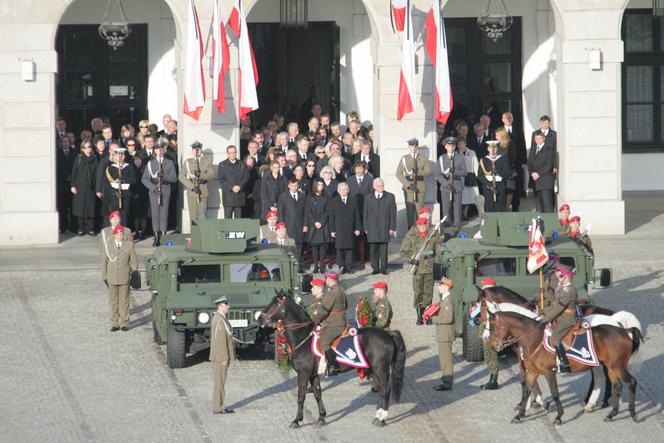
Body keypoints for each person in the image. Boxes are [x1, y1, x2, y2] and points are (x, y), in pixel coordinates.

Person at [399, 217, 440, 325]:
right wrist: (411, 260)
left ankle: (428, 315)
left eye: (424, 225)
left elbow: (438, 252)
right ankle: (419, 316)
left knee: (428, 293)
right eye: (420, 225)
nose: (422, 227)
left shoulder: (433, 236)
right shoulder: (412, 237)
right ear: (417, 226)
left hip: (429, 268)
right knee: (418, 293)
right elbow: (403, 252)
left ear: (427, 225)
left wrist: (437, 265)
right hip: (417, 269)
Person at [536, 269, 578, 373]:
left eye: (560, 277)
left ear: (566, 277)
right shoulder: (562, 289)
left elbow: (558, 309)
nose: (558, 279)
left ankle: (564, 363)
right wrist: (543, 311)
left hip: (566, 320)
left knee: (554, 338)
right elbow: (554, 305)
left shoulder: (568, 291)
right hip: (560, 316)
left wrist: (545, 319)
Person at [100, 225, 138, 332]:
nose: (120, 236)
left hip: (124, 276)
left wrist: (134, 271)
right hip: (111, 277)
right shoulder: (108, 246)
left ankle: (124, 322)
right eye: (118, 234)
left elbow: (134, 260)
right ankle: (114, 322)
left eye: (121, 234)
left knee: (124, 300)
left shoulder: (129, 245)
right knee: (113, 301)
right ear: (114, 235)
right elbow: (104, 261)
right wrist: (104, 275)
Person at [310, 272, 348, 376]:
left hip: (334, 324)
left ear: (330, 280)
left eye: (326, 278)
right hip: (340, 321)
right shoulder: (341, 290)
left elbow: (324, 311)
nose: (325, 280)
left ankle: (334, 366)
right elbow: (347, 305)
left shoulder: (332, 293)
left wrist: (314, 322)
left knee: (324, 342)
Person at [142, 141, 177, 246]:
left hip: (165, 190)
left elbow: (174, 178)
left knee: (164, 214)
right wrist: (152, 187)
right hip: (154, 192)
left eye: (162, 149)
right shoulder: (150, 163)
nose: (160, 151)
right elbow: (144, 179)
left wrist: (164, 176)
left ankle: (164, 235)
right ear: (155, 151)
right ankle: (156, 237)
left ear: (164, 150)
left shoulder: (169, 162)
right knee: (155, 214)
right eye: (157, 149)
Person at [396, 138, 432, 228]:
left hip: (420, 187)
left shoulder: (423, 158)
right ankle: (410, 233)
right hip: (409, 189)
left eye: (415, 146)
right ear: (409, 147)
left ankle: (421, 231)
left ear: (417, 147)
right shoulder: (404, 158)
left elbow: (429, 171)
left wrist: (418, 172)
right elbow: (398, 173)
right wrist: (408, 185)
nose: (413, 148)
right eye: (411, 146)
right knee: (409, 211)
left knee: (420, 211)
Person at [363, 178, 397, 275]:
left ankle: (384, 268)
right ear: (374, 187)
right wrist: (365, 227)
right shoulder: (368, 197)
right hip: (372, 228)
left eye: (382, 185)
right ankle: (375, 268)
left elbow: (393, 214)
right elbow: (365, 214)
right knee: (373, 250)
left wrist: (392, 227)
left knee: (383, 250)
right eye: (379, 186)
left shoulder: (390, 197)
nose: (381, 187)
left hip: (384, 227)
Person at [210, 296, 236, 414]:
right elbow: (220, 341)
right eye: (226, 305)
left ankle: (220, 404)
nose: (228, 307)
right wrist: (225, 357)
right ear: (220, 306)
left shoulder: (221, 318)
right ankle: (218, 407)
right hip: (220, 357)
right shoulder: (219, 320)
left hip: (221, 357)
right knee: (219, 383)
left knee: (221, 382)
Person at [329, 182, 361, 274]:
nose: (344, 191)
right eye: (341, 190)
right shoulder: (334, 201)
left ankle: (348, 266)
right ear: (338, 191)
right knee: (339, 248)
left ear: (348, 190)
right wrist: (332, 230)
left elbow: (357, 215)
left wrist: (358, 228)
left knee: (350, 248)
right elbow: (332, 217)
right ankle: (341, 266)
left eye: (345, 189)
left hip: (350, 228)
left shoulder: (353, 199)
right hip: (339, 228)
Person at [101, 146, 137, 226]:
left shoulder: (129, 167)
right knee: (114, 215)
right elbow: (106, 182)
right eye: (118, 155)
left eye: (122, 155)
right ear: (114, 156)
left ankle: (123, 231)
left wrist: (124, 180)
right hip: (114, 195)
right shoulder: (110, 168)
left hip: (125, 194)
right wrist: (114, 192)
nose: (120, 157)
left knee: (124, 214)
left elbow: (133, 180)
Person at [180, 141, 215, 222]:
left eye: (198, 149)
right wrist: (192, 187)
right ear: (192, 151)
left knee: (202, 215)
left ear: (201, 150)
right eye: (194, 149)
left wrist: (202, 175)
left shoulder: (206, 161)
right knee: (193, 216)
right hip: (192, 192)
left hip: (203, 192)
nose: (196, 151)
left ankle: (202, 234)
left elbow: (211, 175)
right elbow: (181, 176)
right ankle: (194, 234)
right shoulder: (187, 162)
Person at [435, 137, 467, 227]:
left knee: (457, 208)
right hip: (446, 186)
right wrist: (446, 183)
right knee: (446, 208)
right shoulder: (442, 158)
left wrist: (455, 172)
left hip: (457, 184)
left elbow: (464, 172)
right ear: (445, 147)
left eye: (453, 145)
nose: (451, 147)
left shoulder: (460, 157)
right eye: (449, 146)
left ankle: (457, 226)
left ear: (455, 146)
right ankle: (447, 227)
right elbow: (437, 174)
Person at [70, 141, 98, 236]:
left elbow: (97, 174)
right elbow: (74, 173)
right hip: (80, 187)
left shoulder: (95, 158)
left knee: (91, 208)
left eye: (89, 147)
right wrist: (73, 186)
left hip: (91, 187)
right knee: (80, 208)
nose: (87, 149)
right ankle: (81, 229)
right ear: (82, 148)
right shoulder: (79, 158)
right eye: (85, 147)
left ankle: (90, 229)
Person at [432, 277, 455, 391]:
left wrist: (433, 319)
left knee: (446, 359)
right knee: (443, 359)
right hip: (442, 334)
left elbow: (448, 318)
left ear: (446, 287)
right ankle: (445, 379)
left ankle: (447, 383)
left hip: (445, 334)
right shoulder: (443, 300)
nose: (439, 288)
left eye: (441, 286)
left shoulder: (448, 301)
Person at [278, 178, 307, 266]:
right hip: (288, 226)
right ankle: (289, 265)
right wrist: (282, 227)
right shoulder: (283, 197)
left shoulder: (303, 196)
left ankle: (298, 265)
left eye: (296, 186)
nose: (294, 188)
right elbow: (281, 212)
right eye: (292, 186)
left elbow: (306, 211)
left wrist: (305, 225)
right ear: (288, 186)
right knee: (289, 245)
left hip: (300, 225)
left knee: (299, 246)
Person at [305, 179, 331, 274]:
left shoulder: (327, 197)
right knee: (314, 246)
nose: (321, 186)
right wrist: (314, 222)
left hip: (323, 225)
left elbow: (328, 211)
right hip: (313, 226)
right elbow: (308, 212)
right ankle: (316, 265)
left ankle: (322, 264)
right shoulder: (310, 197)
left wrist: (322, 222)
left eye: (322, 184)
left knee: (323, 246)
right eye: (319, 184)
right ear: (315, 185)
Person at [478, 278, 500, 390]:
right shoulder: (486, 297)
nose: (482, 288)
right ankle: (492, 378)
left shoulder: (493, 300)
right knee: (487, 354)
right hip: (485, 327)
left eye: (484, 286)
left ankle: (494, 380)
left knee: (491, 354)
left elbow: (492, 316)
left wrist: (486, 330)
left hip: (490, 329)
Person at [527, 131, 556, 213]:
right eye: (536, 139)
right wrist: (532, 172)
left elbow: (549, 165)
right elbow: (529, 163)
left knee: (547, 206)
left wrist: (538, 174)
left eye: (540, 138)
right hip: (535, 182)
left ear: (544, 138)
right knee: (538, 207)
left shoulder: (549, 150)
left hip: (545, 181)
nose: (538, 140)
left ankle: (549, 224)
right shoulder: (533, 149)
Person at [477, 141, 510, 212]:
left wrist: (498, 172)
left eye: (494, 148)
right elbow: (480, 176)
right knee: (489, 208)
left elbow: (507, 173)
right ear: (488, 149)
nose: (492, 150)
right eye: (491, 148)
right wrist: (489, 185)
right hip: (488, 187)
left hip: (500, 186)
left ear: (497, 149)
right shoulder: (484, 160)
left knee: (500, 208)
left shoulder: (502, 159)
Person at [218, 145, 250, 219]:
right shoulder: (222, 165)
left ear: (236, 153)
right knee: (228, 219)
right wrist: (231, 187)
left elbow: (246, 177)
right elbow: (221, 179)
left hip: (239, 196)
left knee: (238, 220)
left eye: (234, 152)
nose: (232, 154)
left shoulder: (242, 164)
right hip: (228, 196)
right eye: (230, 153)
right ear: (227, 153)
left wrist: (240, 186)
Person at [56, 137, 76, 233]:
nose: (65, 143)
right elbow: (57, 166)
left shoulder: (74, 151)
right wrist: (66, 175)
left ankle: (73, 226)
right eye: (63, 142)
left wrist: (71, 176)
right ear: (60, 143)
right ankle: (62, 226)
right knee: (62, 207)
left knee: (72, 206)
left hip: (72, 183)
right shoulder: (57, 153)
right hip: (61, 183)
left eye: (67, 141)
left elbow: (76, 165)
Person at [457, 138, 479, 220]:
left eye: (461, 143)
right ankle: (460, 214)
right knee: (460, 198)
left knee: (469, 197)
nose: (460, 146)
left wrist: (476, 175)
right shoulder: (456, 154)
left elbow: (475, 164)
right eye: (458, 144)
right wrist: (460, 154)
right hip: (459, 178)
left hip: (469, 177)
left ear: (465, 144)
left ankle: (465, 214)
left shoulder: (472, 152)